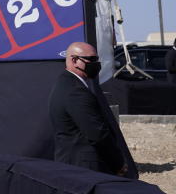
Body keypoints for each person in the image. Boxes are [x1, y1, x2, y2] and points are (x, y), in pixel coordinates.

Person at [48, 41, 131, 176]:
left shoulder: (68, 84)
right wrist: (118, 163)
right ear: (74, 60)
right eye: (91, 59)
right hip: (83, 167)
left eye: (97, 59)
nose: (96, 64)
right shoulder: (74, 90)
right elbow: (97, 133)